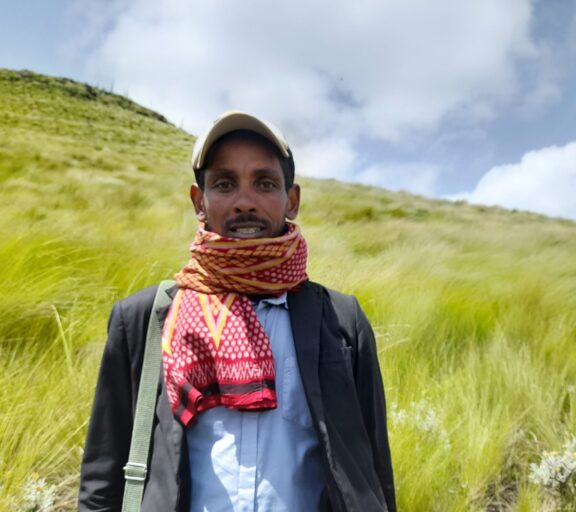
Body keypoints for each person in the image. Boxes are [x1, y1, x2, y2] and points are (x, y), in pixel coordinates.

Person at [79, 111, 396, 512]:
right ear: (200, 201)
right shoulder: (144, 318)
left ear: (291, 200)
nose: (245, 202)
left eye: (264, 183)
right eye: (225, 184)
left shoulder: (341, 319)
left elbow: (373, 471)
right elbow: (102, 478)